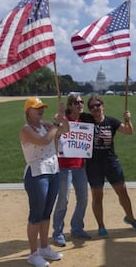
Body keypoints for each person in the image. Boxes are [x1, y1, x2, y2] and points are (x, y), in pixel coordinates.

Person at [81, 95, 136, 238]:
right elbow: (70, 115)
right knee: (97, 196)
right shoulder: (87, 119)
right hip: (93, 164)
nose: (95, 108)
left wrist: (128, 119)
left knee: (122, 191)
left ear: (103, 106)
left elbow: (128, 131)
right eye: (92, 107)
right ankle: (101, 226)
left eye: (97, 105)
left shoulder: (111, 121)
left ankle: (130, 217)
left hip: (110, 161)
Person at [20, 97, 70, 267]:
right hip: (36, 174)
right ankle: (33, 253)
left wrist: (62, 118)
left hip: (53, 171)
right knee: (36, 214)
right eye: (36, 108)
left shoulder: (47, 125)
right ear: (28, 111)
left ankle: (44, 247)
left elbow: (66, 130)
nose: (40, 110)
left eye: (42, 107)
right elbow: (43, 141)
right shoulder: (25, 130)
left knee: (46, 213)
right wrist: (55, 126)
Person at [52, 94, 90, 247]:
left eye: (81, 102)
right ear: (69, 105)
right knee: (63, 199)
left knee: (83, 198)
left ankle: (77, 228)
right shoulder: (62, 118)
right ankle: (58, 232)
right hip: (64, 166)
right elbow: (55, 133)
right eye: (76, 102)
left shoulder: (85, 120)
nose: (79, 104)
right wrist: (60, 116)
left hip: (80, 166)